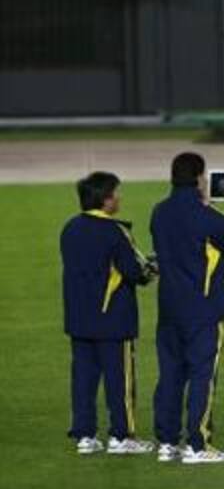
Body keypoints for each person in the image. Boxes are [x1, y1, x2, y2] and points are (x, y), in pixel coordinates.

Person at [151, 152, 224, 464]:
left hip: (169, 309)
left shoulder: (159, 212)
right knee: (201, 376)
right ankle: (197, 445)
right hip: (202, 311)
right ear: (200, 178)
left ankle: (167, 442)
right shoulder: (205, 217)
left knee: (170, 375)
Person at [60, 171, 158, 456]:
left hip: (79, 318)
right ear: (105, 199)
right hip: (113, 320)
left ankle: (85, 436)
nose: (119, 197)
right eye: (116, 192)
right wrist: (156, 267)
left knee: (83, 380)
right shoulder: (115, 231)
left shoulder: (70, 228)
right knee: (120, 381)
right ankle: (121, 437)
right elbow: (135, 272)